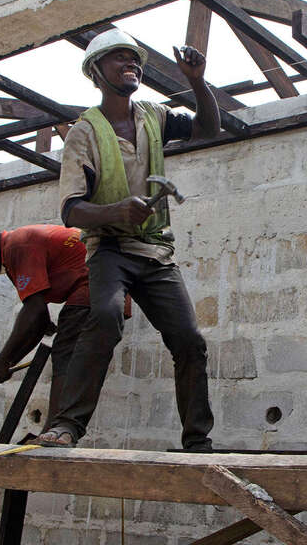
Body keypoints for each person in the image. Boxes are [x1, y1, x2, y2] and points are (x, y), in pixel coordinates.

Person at [38, 28, 220, 450]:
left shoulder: (154, 116)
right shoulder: (84, 132)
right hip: (112, 250)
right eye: (119, 58)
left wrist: (196, 81)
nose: (130, 64)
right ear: (96, 72)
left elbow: (209, 129)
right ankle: (68, 424)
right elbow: (71, 209)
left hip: (156, 253)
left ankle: (197, 440)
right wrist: (114, 213)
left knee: (189, 340)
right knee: (102, 316)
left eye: (134, 59)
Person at [0, 218, 130, 429]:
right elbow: (39, 322)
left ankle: (56, 429)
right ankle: (57, 428)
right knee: (65, 352)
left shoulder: (17, 246)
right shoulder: (13, 255)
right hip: (101, 285)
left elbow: (33, 312)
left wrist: (2, 359)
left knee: (66, 355)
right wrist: (8, 363)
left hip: (96, 285)